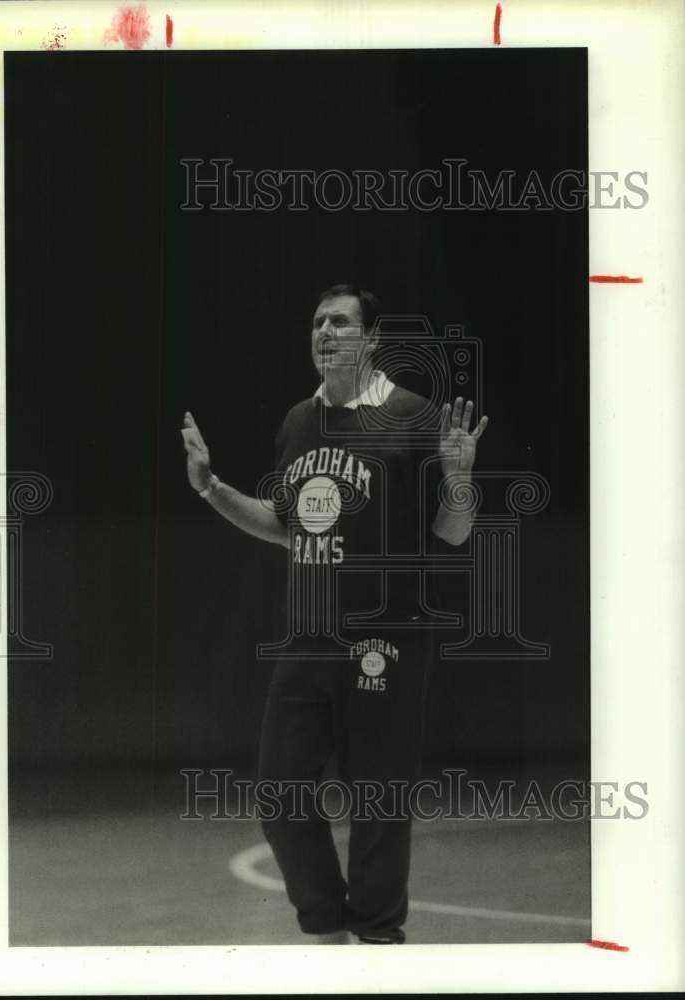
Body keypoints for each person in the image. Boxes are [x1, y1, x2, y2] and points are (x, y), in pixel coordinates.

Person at [181, 284, 488, 944]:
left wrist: (460, 481)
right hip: (308, 642)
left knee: (378, 806)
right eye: (317, 322)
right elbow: (290, 528)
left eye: (340, 322)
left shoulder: (411, 416)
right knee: (280, 794)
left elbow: (453, 533)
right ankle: (326, 929)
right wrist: (212, 488)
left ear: (371, 340)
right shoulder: (298, 422)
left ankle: (376, 938)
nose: (325, 332)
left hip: (388, 641)